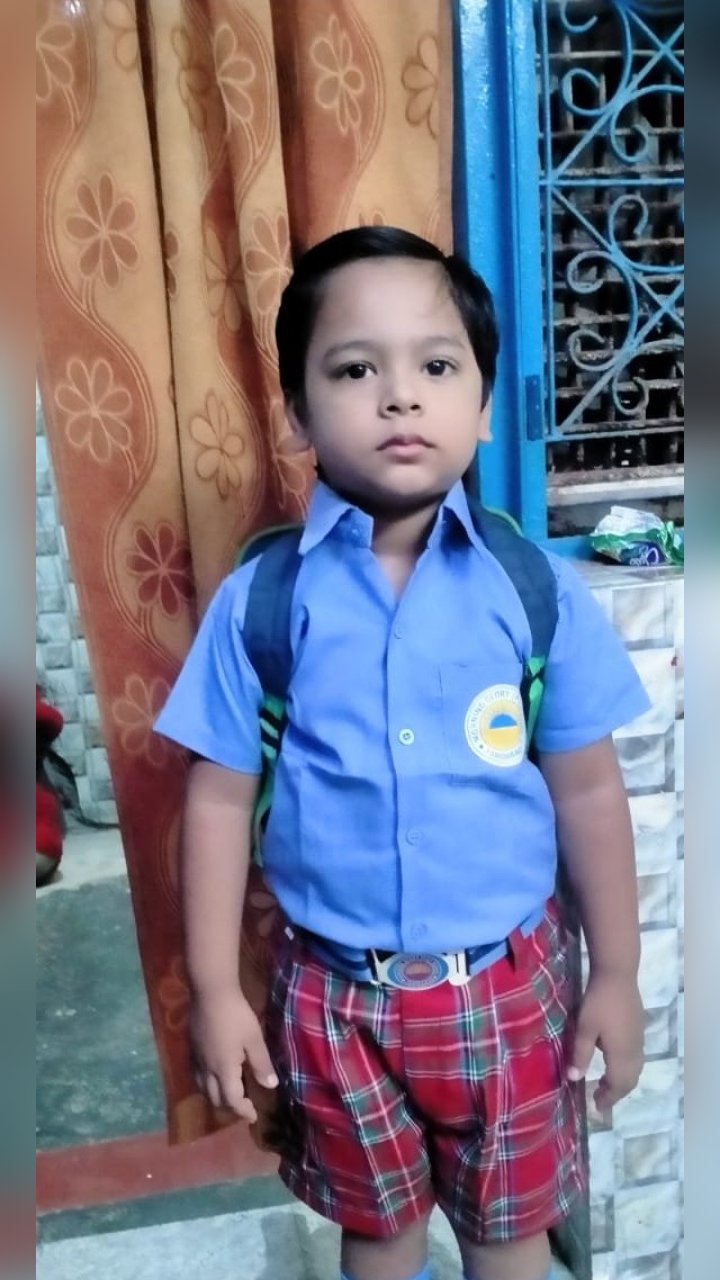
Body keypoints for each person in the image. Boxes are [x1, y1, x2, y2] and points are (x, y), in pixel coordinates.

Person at [155, 227, 650, 1280]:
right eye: (353, 370)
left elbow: (590, 794)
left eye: (436, 365)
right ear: (298, 412)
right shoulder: (262, 602)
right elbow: (217, 800)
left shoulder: (536, 591)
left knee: (509, 1236)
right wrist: (216, 988)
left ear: (484, 403)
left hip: (512, 991)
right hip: (332, 1000)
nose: (399, 397)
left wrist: (617, 973)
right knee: (378, 1237)